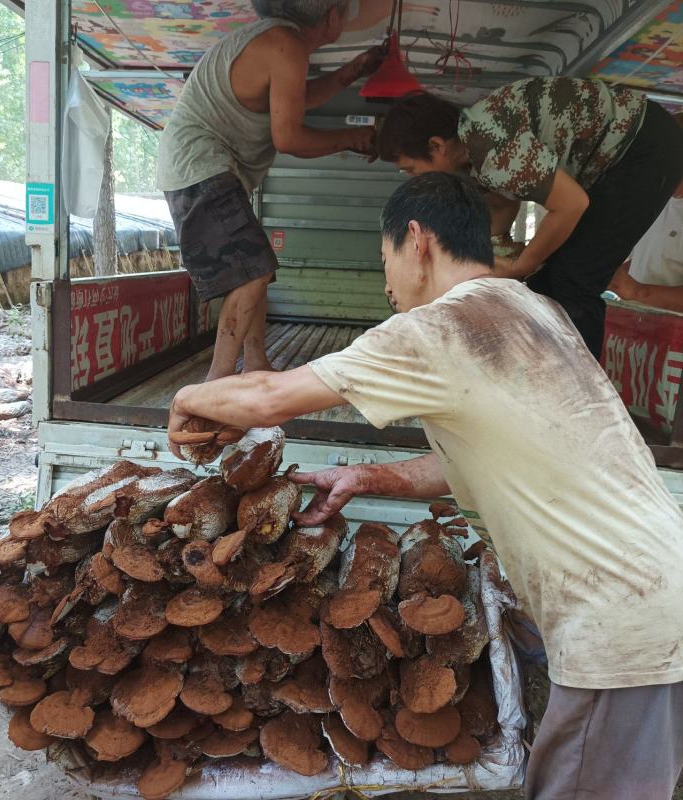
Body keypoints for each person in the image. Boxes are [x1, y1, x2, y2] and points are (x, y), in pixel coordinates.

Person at [168, 172, 683, 800]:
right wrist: (368, 476)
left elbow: (271, 394)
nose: (385, 283)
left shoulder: (439, 328)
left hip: (622, 624)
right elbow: (498, 452)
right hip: (655, 590)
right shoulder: (531, 308)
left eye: (383, 259)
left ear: (417, 242)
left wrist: (191, 396)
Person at [374, 78, 683, 359]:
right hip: (626, 153)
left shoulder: (491, 147)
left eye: (410, 169)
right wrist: (498, 254)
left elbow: (572, 204)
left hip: (643, 147)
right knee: (546, 280)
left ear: (436, 146)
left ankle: (581, 390)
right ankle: (547, 371)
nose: (412, 179)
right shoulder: (472, 153)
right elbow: (501, 204)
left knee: (573, 280)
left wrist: (522, 263)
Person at [156, 0, 384, 381]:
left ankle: (256, 361)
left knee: (256, 269)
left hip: (200, 168)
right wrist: (352, 138)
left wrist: (350, 72)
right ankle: (220, 378)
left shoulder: (276, 42)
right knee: (254, 272)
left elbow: (296, 100)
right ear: (331, 17)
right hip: (200, 166)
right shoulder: (286, 45)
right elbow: (290, 136)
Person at [608, 184, 683, 313]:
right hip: (632, 320)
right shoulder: (655, 200)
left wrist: (637, 292)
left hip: (669, 329)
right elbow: (652, 257)